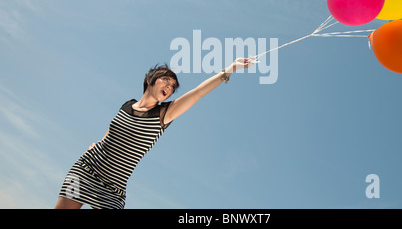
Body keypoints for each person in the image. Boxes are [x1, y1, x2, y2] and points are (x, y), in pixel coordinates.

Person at [55, 57, 254, 209]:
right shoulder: (127, 105)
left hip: (113, 189)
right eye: (166, 80)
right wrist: (97, 142)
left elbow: (198, 92)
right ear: (150, 80)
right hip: (87, 170)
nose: (169, 86)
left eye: (172, 86)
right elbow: (111, 133)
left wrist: (230, 69)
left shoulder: (163, 114)